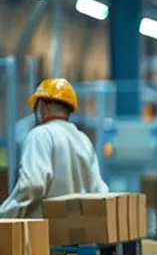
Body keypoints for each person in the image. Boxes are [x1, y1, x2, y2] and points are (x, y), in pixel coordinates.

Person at [0, 78, 108, 219]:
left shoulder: (40, 135)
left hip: (45, 235)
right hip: (78, 235)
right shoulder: (83, 139)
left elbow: (32, 185)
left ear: (44, 107)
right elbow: (99, 190)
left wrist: (4, 214)